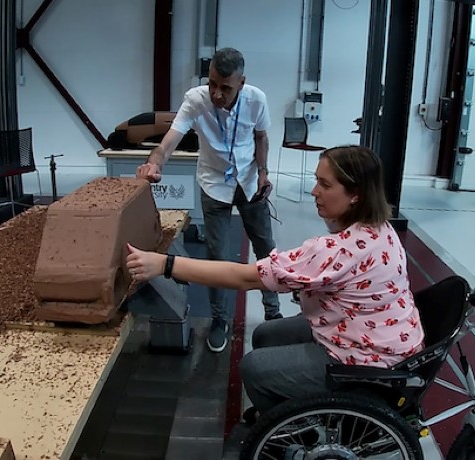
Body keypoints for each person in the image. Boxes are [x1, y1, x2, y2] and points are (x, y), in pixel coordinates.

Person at [127, 145, 426, 415]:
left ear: (355, 194)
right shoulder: (381, 228)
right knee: (266, 335)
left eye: (325, 184)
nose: (313, 191)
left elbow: (244, 277)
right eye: (316, 180)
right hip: (387, 341)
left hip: (366, 362)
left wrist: (165, 265)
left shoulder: (336, 251)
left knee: (254, 368)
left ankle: (290, 428)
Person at [136, 47, 280, 353]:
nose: (216, 93)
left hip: (250, 182)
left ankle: (273, 313)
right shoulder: (195, 100)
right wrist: (155, 163)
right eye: (212, 83)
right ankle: (219, 319)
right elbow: (169, 141)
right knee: (218, 255)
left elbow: (261, 138)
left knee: (265, 248)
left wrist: (264, 172)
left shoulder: (257, 99)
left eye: (225, 88)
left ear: (242, 82)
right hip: (214, 184)